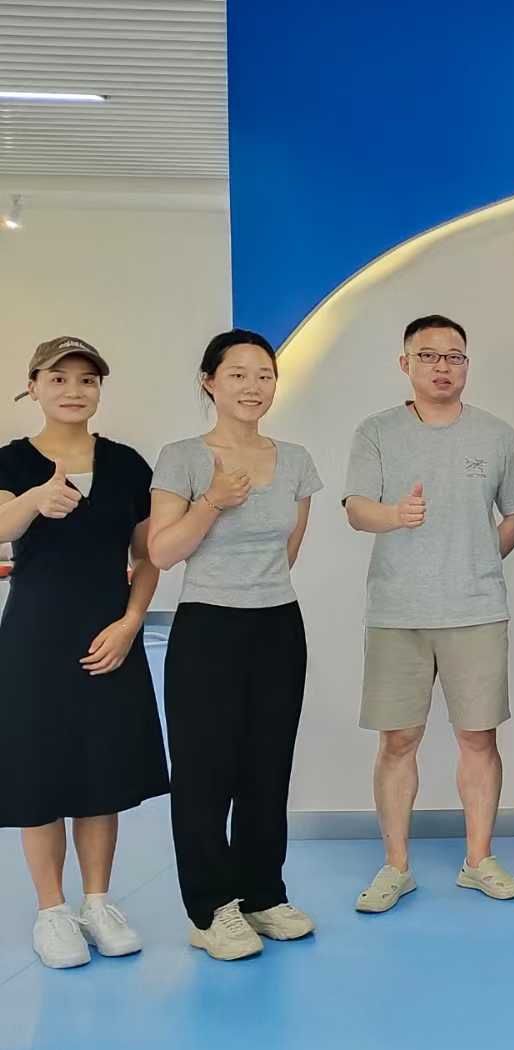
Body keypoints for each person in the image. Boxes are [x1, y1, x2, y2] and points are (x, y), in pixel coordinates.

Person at [343, 315, 514, 913]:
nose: (442, 367)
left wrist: (477, 560)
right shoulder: (377, 431)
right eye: (428, 356)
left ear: (466, 365)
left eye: (454, 356)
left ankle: (479, 860)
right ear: (405, 364)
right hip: (397, 612)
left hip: (476, 610)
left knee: (478, 736)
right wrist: (395, 516)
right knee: (398, 739)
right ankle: (396, 865)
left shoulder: (497, 435)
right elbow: (356, 509)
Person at [148, 330, 324, 960]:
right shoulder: (183, 457)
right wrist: (212, 503)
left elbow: (287, 551)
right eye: (238, 374)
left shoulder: (296, 460)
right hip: (207, 627)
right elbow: (162, 552)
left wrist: (260, 590)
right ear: (210, 381)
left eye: (264, 375)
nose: (254, 387)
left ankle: (261, 895)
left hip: (277, 625)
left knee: (267, 768)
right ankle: (209, 910)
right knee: (204, 772)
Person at [0, 337, 169, 970]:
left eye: (87, 380)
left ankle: (98, 903)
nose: (74, 390)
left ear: (99, 389)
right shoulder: (12, 463)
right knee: (38, 773)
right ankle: (52, 910)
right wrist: (32, 501)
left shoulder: (126, 465)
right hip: (34, 640)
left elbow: (148, 555)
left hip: (110, 638)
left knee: (102, 773)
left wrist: (131, 622)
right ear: (33, 386)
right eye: (58, 378)